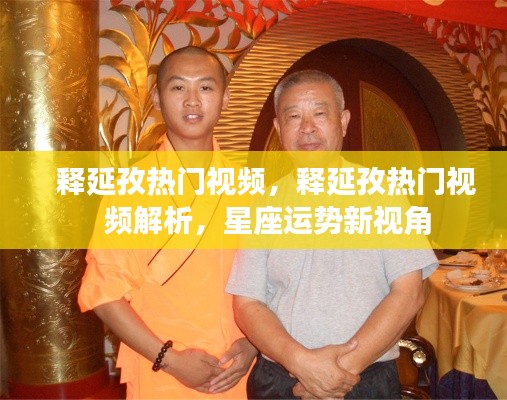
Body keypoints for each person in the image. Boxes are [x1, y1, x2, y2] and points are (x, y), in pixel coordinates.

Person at [226, 69, 438, 399]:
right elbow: (247, 303)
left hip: (364, 379)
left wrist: (337, 375)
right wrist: (302, 365)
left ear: (344, 120)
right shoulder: (263, 204)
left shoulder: (383, 194)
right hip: (281, 379)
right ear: (279, 129)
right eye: (294, 116)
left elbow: (409, 293)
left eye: (320, 113)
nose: (307, 128)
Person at [78, 46, 256, 399]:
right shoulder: (130, 190)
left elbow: (273, 286)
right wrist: (171, 360)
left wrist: (253, 344)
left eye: (205, 87)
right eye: (178, 87)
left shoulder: (248, 189)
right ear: (158, 99)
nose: (192, 101)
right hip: (162, 371)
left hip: (237, 371)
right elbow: (104, 293)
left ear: (225, 99)